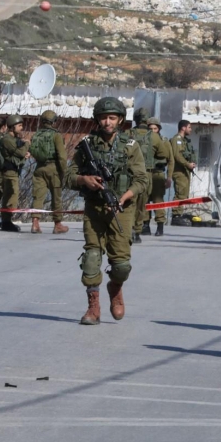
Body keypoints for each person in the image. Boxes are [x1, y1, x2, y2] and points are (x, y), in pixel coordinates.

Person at [63, 97, 149, 325]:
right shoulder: (87, 145)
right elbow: (68, 176)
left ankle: (115, 288)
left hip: (122, 210)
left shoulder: (130, 146)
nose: (107, 122)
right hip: (94, 209)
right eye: (103, 118)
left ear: (120, 120)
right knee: (92, 257)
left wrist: (125, 196)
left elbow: (142, 180)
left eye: (112, 117)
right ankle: (93, 307)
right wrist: (84, 180)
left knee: (121, 266)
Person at [126, 108, 171, 242]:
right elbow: (163, 154)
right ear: (147, 121)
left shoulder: (127, 133)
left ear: (135, 119)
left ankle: (129, 229)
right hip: (146, 173)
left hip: (130, 173)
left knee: (130, 202)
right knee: (142, 204)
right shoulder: (154, 136)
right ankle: (137, 232)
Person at [28, 110, 69, 234]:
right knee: (56, 197)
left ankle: (35, 223)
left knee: (38, 196)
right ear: (54, 121)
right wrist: (65, 172)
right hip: (53, 168)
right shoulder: (56, 135)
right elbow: (62, 156)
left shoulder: (36, 135)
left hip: (39, 168)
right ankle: (57, 224)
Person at [0, 114, 30, 233]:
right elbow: (19, 153)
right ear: (12, 127)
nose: (21, 128)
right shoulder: (7, 139)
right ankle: (6, 222)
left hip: (14, 171)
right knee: (11, 196)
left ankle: (7, 221)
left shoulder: (14, 139)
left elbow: (19, 155)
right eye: (19, 125)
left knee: (11, 196)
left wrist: (24, 156)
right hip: (9, 172)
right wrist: (26, 144)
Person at [147, 117, 174, 236]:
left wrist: (169, 178)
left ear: (159, 129)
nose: (153, 131)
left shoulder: (164, 141)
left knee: (158, 200)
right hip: (145, 173)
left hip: (158, 173)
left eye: (155, 128)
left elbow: (171, 160)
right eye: (150, 129)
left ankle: (160, 226)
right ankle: (145, 225)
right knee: (144, 200)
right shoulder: (144, 142)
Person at [170, 120, 196, 226]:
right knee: (180, 193)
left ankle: (179, 214)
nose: (190, 129)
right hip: (179, 170)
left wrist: (191, 163)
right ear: (183, 128)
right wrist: (187, 164)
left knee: (184, 193)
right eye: (189, 127)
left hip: (184, 170)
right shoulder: (177, 140)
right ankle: (176, 215)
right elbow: (177, 156)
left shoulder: (184, 141)